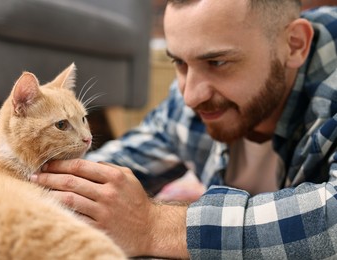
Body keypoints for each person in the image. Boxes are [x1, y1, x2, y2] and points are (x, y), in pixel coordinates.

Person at [30, 0, 337, 258]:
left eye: (217, 62)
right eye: (179, 63)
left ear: (294, 45)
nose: (190, 95)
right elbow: (115, 167)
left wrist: (154, 225)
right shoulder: (189, 100)